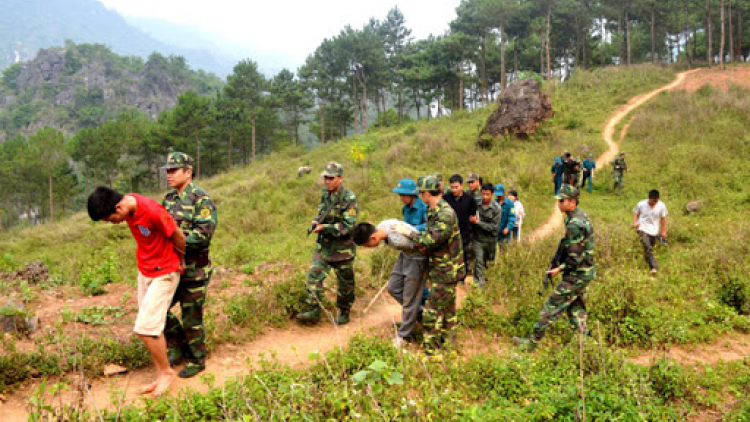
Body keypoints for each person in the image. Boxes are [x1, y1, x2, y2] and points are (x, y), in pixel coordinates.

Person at [87, 186, 186, 397]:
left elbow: (178, 236)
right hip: (146, 271)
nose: (113, 223)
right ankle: (161, 372)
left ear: (119, 206)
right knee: (149, 325)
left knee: (146, 328)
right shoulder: (129, 210)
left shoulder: (152, 210)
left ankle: (167, 373)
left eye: (110, 218)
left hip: (165, 271)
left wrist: (181, 261)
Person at [514, 185, 595, 350]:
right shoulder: (580, 216)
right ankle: (586, 345)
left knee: (551, 306)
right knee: (576, 307)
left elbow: (575, 257)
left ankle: (532, 343)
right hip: (585, 272)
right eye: (559, 200)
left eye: (563, 200)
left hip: (577, 274)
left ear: (573, 202)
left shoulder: (574, 224)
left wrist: (559, 269)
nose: (559, 204)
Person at [393, 175, 464, 359]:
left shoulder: (445, 214)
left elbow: (431, 240)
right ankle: (449, 345)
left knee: (431, 311)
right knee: (448, 309)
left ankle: (430, 352)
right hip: (440, 267)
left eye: (420, 193)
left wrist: (409, 233)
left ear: (425, 194)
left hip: (447, 269)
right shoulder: (434, 211)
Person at [161, 152, 218, 378]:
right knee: (158, 309)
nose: (169, 175)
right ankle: (177, 346)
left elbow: (203, 234)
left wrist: (176, 242)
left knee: (191, 316)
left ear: (188, 172)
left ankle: (197, 359)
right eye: (167, 171)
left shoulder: (201, 199)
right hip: (171, 268)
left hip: (195, 269)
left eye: (174, 171)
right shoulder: (169, 199)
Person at [297, 162, 358, 326]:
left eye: (331, 178)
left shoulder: (349, 198)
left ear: (340, 178)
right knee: (313, 275)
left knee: (345, 284)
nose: (327, 181)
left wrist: (326, 227)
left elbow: (347, 226)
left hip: (342, 248)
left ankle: (344, 311)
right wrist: (317, 221)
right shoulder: (325, 194)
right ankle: (314, 310)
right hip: (325, 246)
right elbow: (322, 212)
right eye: (325, 178)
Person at [353, 218, 426, 346]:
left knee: (410, 299)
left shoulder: (397, 241)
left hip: (417, 258)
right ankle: (420, 314)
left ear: (373, 238)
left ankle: (404, 335)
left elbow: (421, 245)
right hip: (406, 255)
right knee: (393, 287)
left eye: (366, 245)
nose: (369, 248)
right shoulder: (382, 225)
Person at [443, 174, 477, 283]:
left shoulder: (469, 199)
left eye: (456, 187)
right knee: (449, 254)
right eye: (452, 187)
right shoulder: (446, 198)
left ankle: (462, 277)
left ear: (462, 186)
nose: (454, 190)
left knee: (463, 255)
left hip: (464, 232)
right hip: (450, 232)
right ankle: (450, 276)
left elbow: (473, 214)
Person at [471, 183, 501, 288]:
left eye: (487, 194)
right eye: (483, 194)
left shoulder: (496, 209)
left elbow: (493, 227)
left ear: (492, 194)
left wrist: (478, 223)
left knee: (489, 263)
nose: (485, 197)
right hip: (477, 240)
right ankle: (479, 285)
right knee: (479, 261)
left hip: (490, 240)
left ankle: (487, 282)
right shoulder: (475, 203)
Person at [632, 190, 668, 275]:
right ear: (649, 198)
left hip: (654, 231)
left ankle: (646, 260)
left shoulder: (661, 206)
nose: (654, 203)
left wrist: (663, 231)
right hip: (642, 228)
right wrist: (635, 223)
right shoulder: (641, 204)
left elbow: (663, 219)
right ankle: (654, 267)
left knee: (649, 247)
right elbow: (636, 213)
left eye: (656, 201)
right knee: (647, 245)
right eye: (653, 201)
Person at [494, 184, 516, 249]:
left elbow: (512, 217)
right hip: (494, 233)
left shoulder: (510, 204)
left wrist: (508, 228)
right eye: (497, 195)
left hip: (504, 234)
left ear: (504, 193)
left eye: (500, 195)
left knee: (504, 252)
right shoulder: (494, 203)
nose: (498, 196)